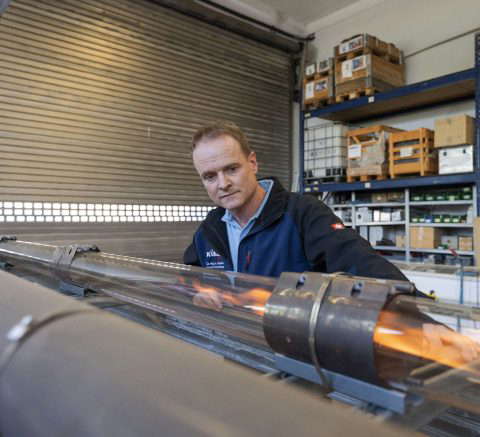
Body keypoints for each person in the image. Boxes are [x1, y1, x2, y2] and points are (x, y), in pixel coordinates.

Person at [183, 120, 406, 282]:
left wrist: (415, 313)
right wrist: (199, 291)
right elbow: (188, 277)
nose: (223, 184)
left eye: (231, 169)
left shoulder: (302, 214)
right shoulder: (210, 229)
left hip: (288, 342)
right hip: (235, 340)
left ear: (252, 163)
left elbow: (363, 264)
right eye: (210, 176)